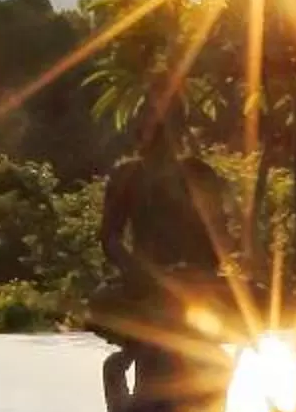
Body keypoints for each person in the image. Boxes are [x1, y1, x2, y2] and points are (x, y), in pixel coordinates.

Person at [95, 110, 233, 350]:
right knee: (103, 303)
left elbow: (218, 231)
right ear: (139, 139)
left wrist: (200, 267)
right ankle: (134, 349)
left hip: (196, 279)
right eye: (151, 137)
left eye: (165, 138)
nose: (159, 147)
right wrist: (133, 268)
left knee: (240, 306)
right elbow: (110, 236)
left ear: (177, 139)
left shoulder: (199, 174)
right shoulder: (126, 176)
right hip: (145, 278)